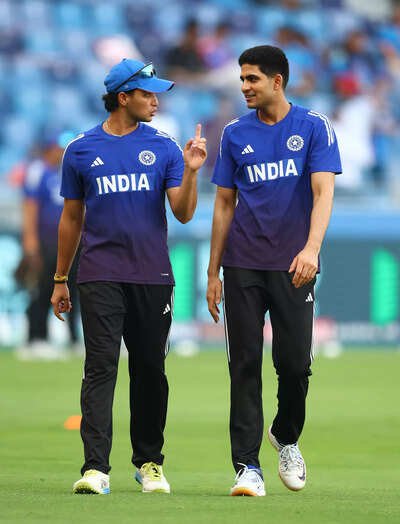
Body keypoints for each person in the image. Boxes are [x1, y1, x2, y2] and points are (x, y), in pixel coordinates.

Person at [50, 58, 207, 495]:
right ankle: (95, 469)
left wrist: (192, 172)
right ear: (123, 98)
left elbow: (183, 212)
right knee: (100, 367)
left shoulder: (165, 147)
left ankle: (150, 463)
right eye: (147, 94)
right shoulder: (80, 149)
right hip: (99, 274)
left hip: (152, 276)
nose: (155, 101)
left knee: (150, 370)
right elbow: (71, 218)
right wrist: (60, 278)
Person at [206, 45, 341, 496]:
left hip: (294, 265)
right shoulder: (233, 134)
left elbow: (323, 193)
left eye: (252, 79)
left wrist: (312, 249)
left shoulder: (314, 127)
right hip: (242, 264)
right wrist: (212, 272)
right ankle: (247, 467)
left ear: (277, 81)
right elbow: (224, 204)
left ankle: (285, 437)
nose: (244, 87)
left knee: (295, 365)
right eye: (242, 79)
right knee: (243, 365)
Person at [16, 134, 79, 360]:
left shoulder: (65, 172)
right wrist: (30, 240)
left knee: (73, 290)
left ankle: (73, 339)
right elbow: (30, 206)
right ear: (50, 149)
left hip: (69, 243)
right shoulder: (38, 170)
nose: (62, 153)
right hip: (46, 241)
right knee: (41, 289)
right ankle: (36, 338)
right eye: (60, 148)